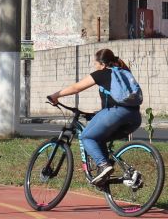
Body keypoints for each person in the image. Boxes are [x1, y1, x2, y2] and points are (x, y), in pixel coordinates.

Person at [47, 48, 143, 185]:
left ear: (103, 65)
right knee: (99, 138)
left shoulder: (102, 74)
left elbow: (76, 87)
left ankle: (103, 165)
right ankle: (112, 175)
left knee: (87, 136)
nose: (95, 66)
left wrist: (55, 96)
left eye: (96, 63)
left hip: (116, 112)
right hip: (134, 117)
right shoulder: (124, 72)